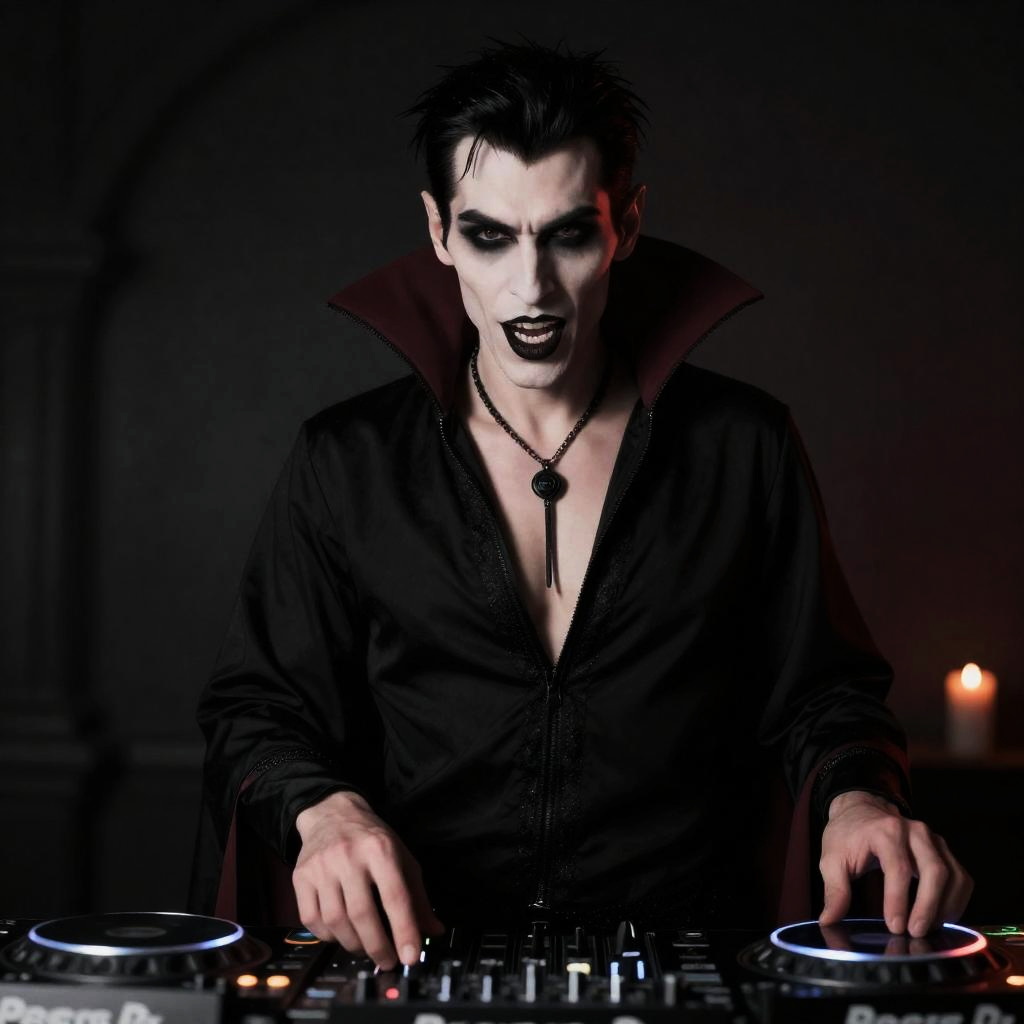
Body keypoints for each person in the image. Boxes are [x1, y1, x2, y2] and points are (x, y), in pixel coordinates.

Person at [191, 39, 971, 971]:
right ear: (438, 231)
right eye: (489, 236)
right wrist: (323, 810)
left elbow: (825, 690)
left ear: (626, 226)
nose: (531, 288)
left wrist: (860, 798)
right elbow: (257, 706)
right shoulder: (345, 460)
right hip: (418, 955)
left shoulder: (743, 445)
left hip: (688, 954)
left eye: (568, 235)